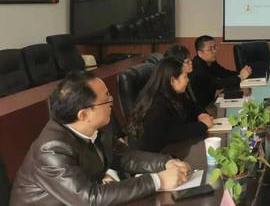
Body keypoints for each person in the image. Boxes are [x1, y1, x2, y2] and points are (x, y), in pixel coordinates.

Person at [10, 71, 189, 206]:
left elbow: (123, 156)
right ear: (84, 115)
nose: (112, 102)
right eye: (106, 99)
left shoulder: (96, 126)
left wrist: (165, 163)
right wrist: (158, 180)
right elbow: (89, 198)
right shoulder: (51, 149)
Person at [128, 58, 214, 152]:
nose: (188, 80)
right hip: (154, 155)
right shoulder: (156, 104)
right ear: (173, 80)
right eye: (185, 77)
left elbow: (193, 107)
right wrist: (202, 125)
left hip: (172, 149)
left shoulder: (173, 93)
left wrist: (201, 114)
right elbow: (170, 133)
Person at [189, 35, 252, 110]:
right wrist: (240, 77)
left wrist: (242, 73)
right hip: (200, 108)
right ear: (200, 53)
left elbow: (224, 73)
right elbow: (217, 84)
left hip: (210, 103)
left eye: (215, 47)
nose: (214, 51)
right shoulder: (197, 68)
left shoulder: (211, 62)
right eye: (210, 49)